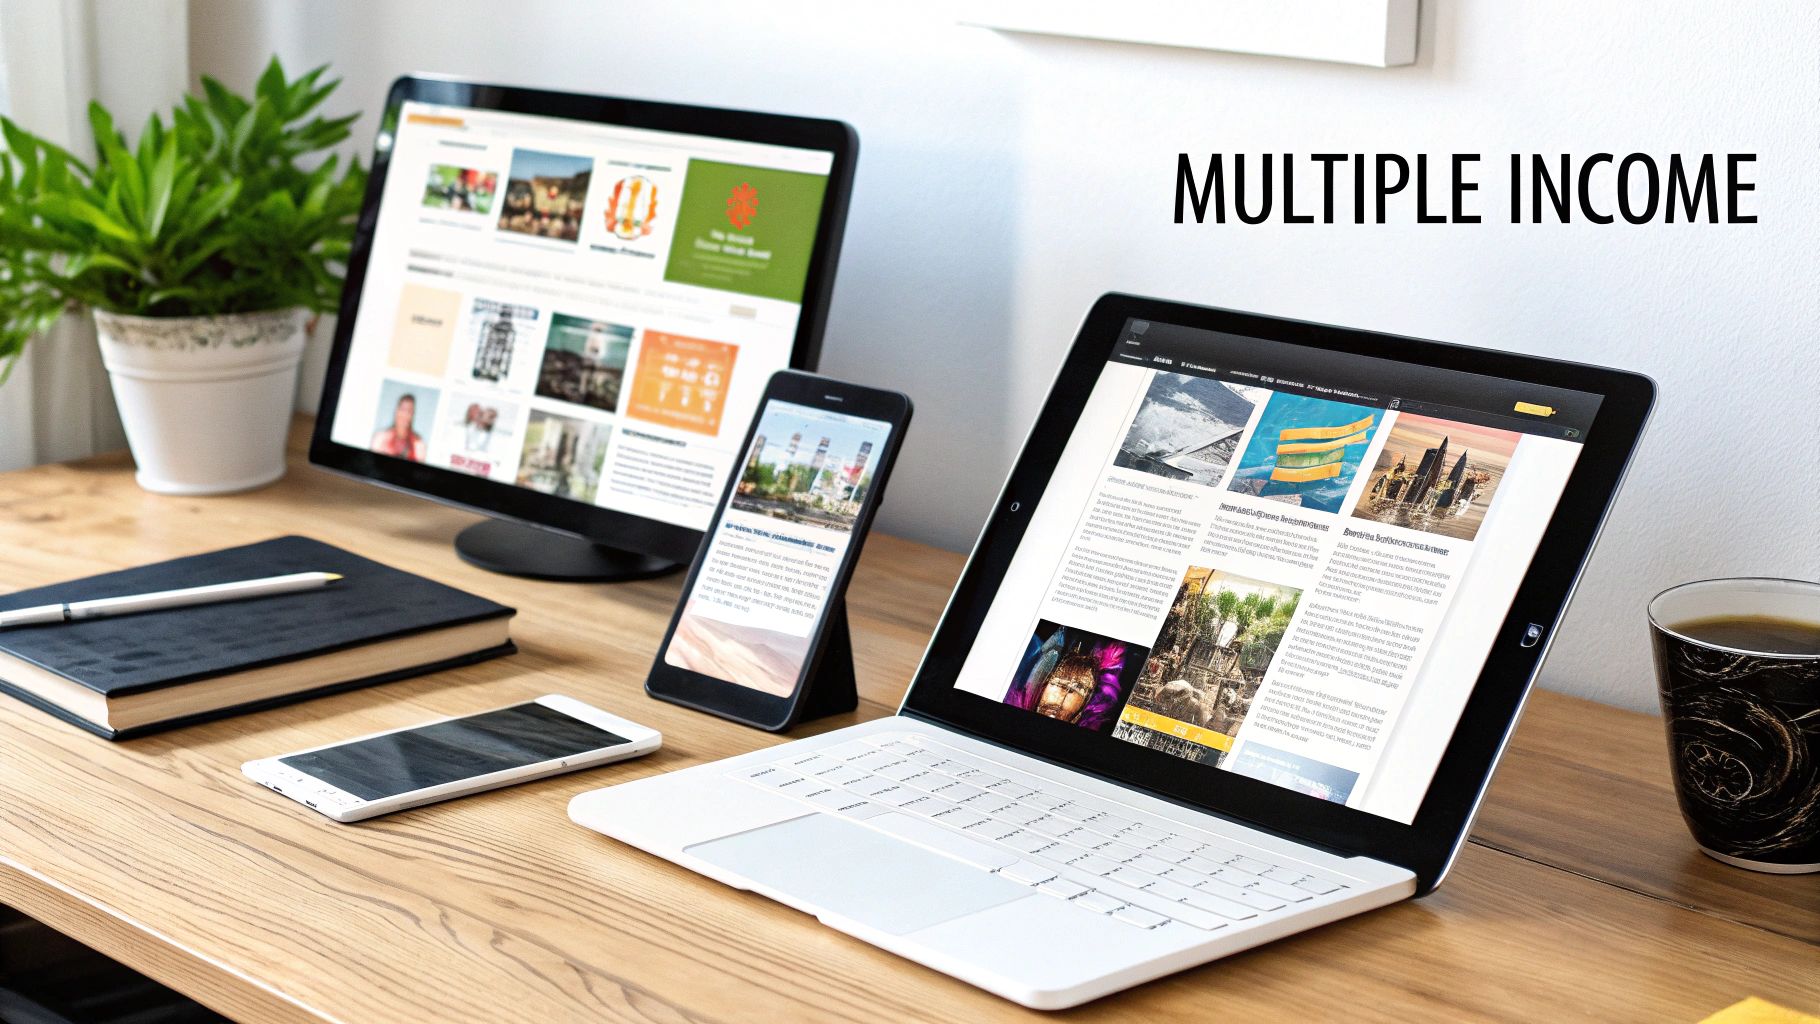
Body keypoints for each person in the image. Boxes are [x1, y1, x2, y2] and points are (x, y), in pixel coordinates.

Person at [371, 393, 427, 461]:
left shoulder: (418, 445)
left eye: (409, 411)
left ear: (413, 415)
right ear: (396, 411)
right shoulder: (380, 438)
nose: (405, 415)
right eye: (402, 409)